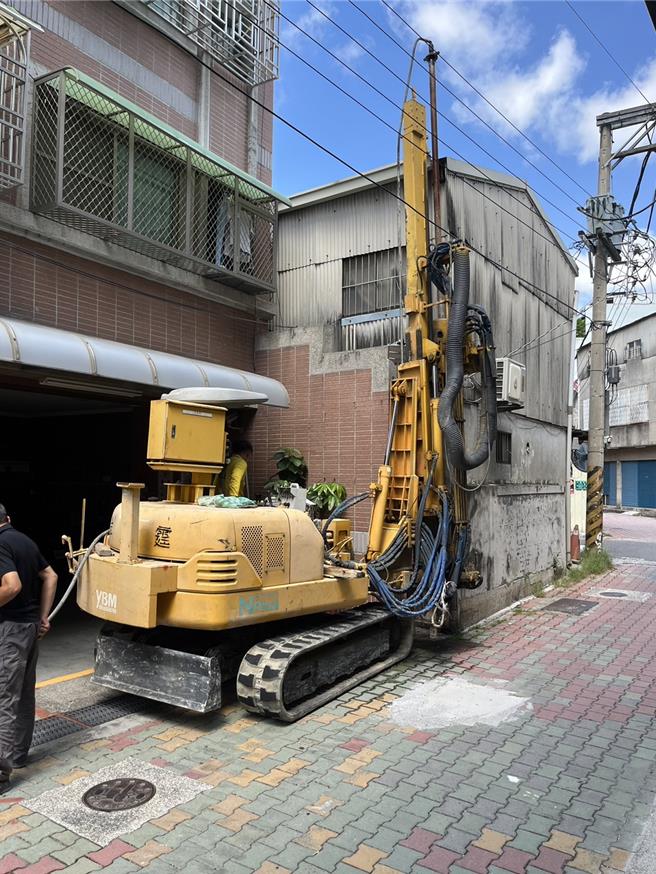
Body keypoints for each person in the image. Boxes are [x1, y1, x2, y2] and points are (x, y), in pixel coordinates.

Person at [0, 505, 57, 793]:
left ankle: (1, 773)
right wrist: (43, 616)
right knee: (23, 694)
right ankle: (18, 755)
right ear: (8, 519)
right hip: (30, 628)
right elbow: (51, 575)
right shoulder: (24, 540)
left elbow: (12, 585)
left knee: (5, 698)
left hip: (10, 630)